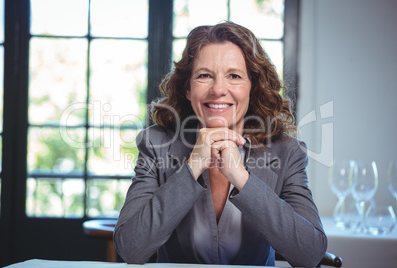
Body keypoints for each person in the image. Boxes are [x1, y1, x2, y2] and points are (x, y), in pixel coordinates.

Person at [114, 21, 327, 267]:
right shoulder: (156, 144)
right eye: (204, 75)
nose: (218, 89)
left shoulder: (287, 151)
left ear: (253, 87)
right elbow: (130, 248)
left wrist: (241, 178)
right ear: (187, 88)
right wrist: (192, 167)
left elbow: (311, 253)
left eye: (234, 76)